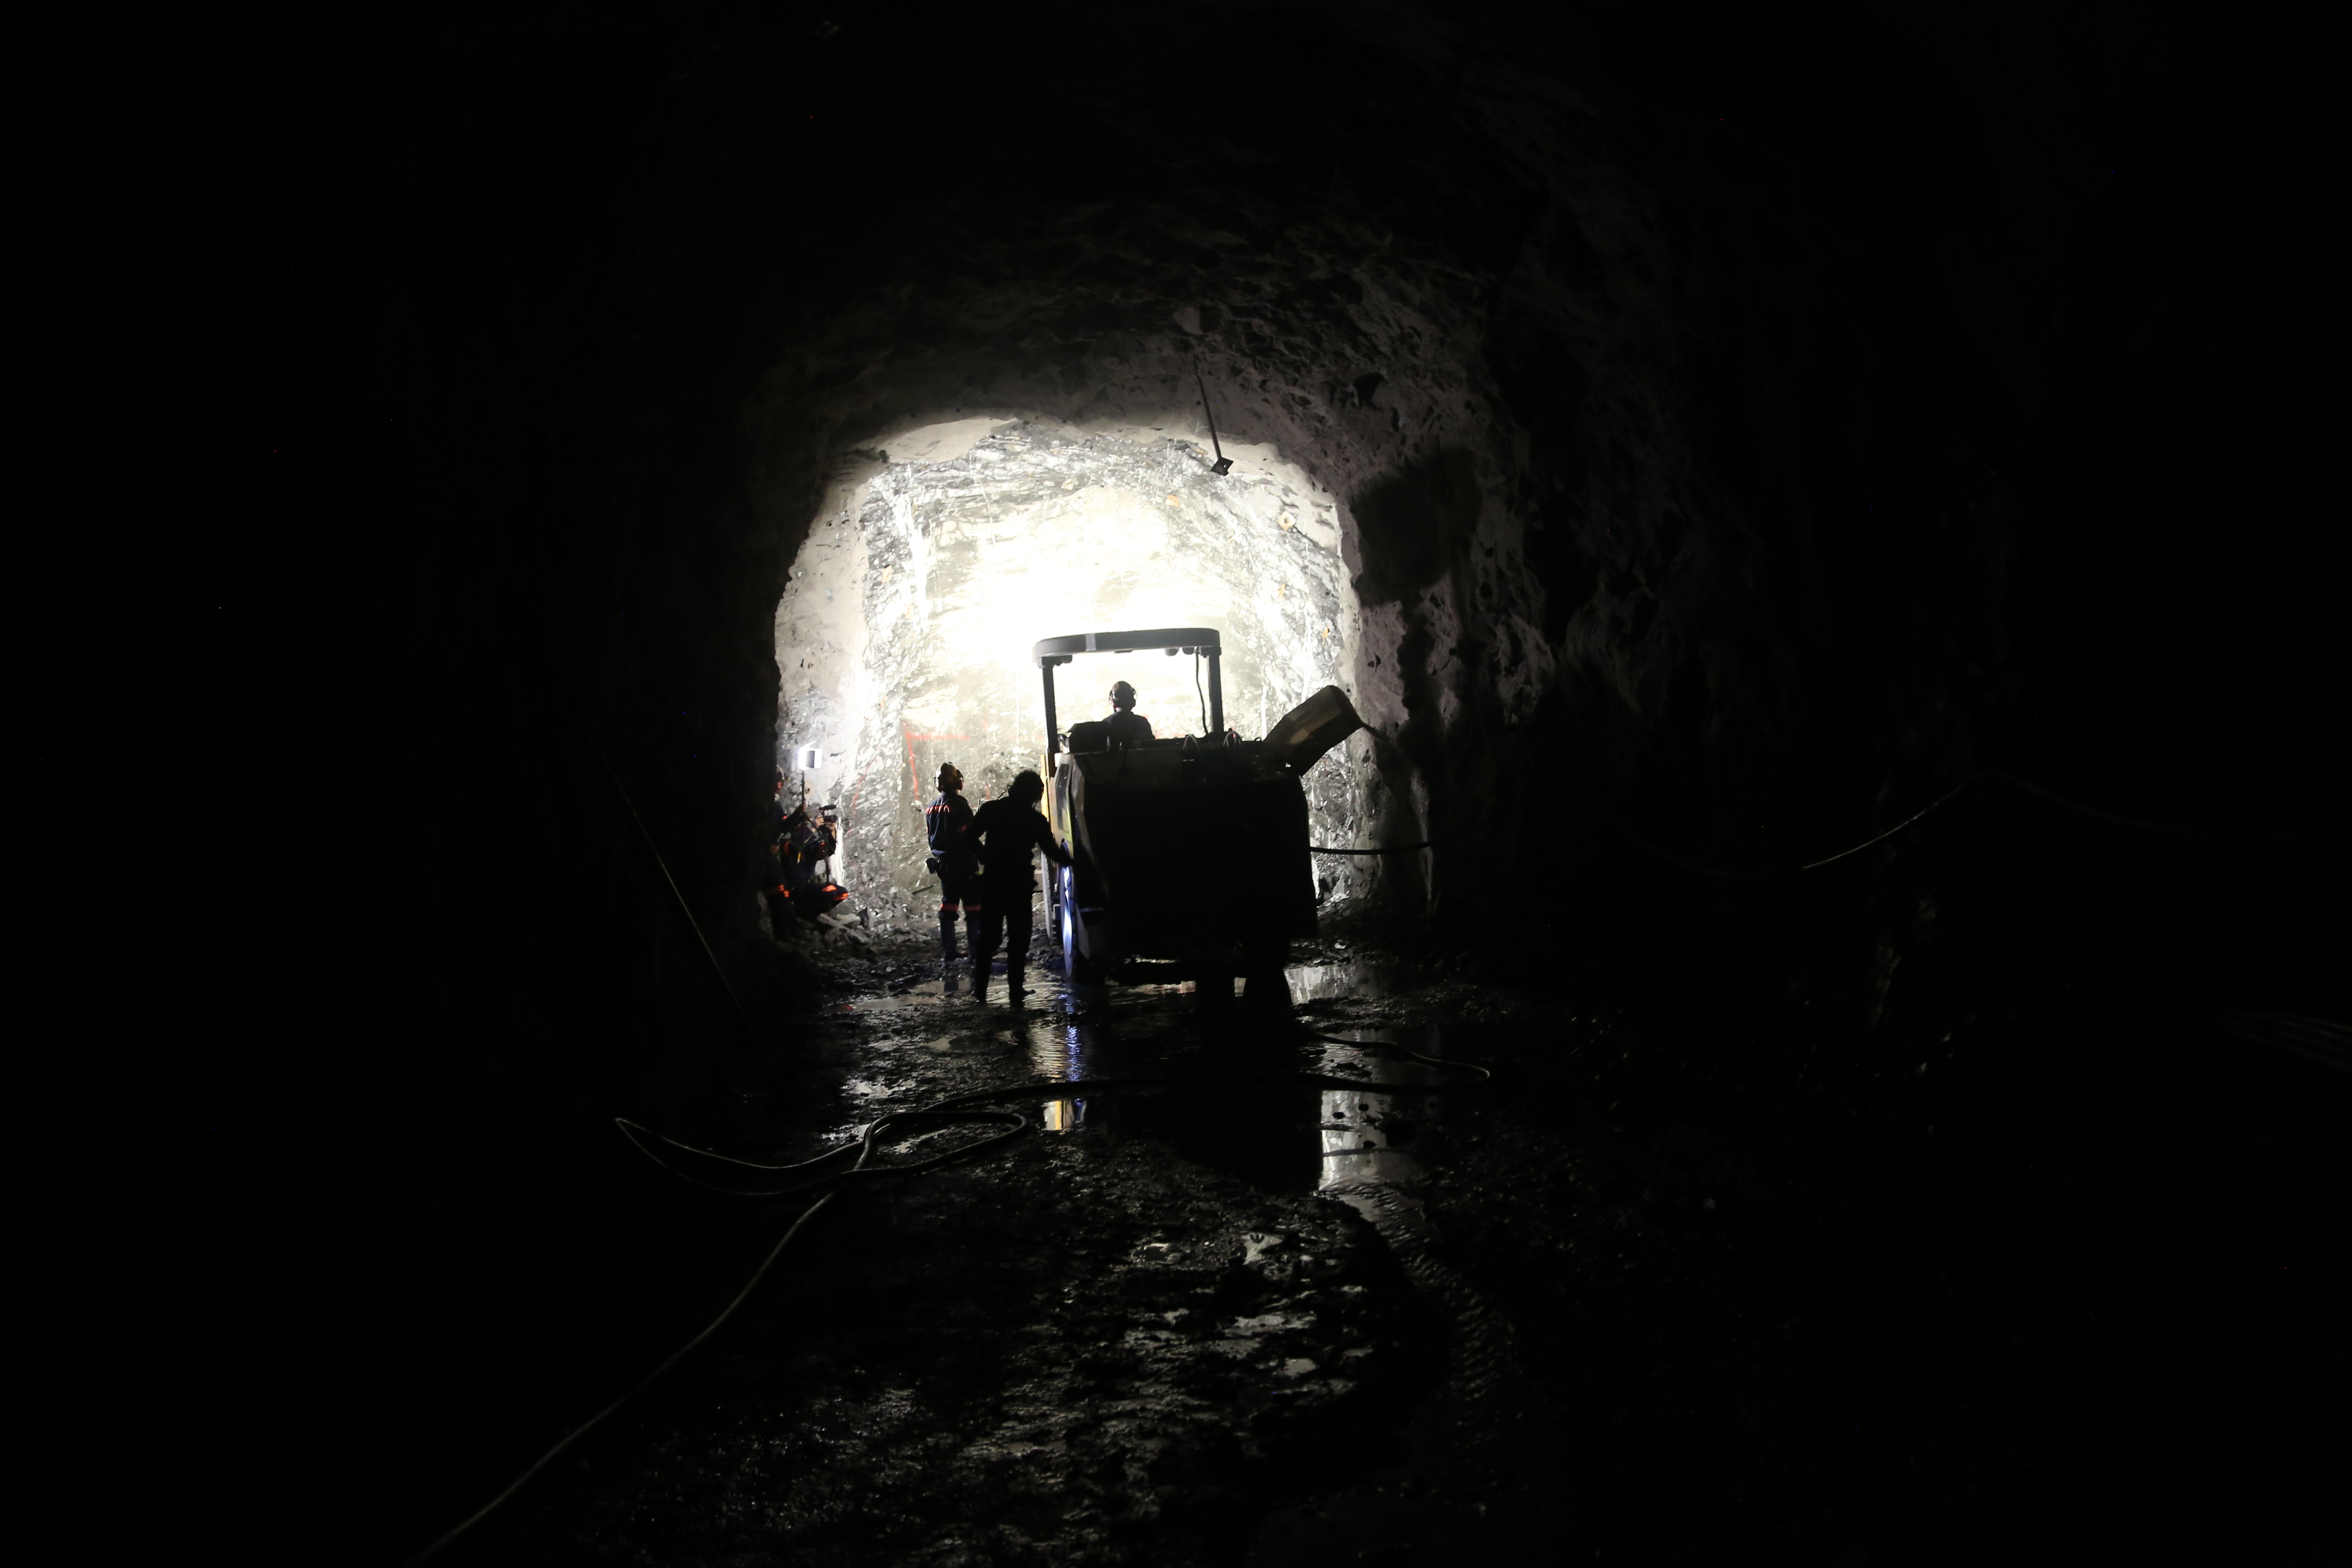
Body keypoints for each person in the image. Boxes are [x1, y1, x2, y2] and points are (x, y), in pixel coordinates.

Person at [965, 769, 1071, 1005]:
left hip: (994, 882)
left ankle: (980, 992)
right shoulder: (1035, 820)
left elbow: (969, 837)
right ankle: (1015, 991)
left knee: (988, 939)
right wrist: (1077, 862)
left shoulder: (992, 810)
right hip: (1019, 886)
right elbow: (1052, 852)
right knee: (1019, 939)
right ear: (1035, 795)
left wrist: (984, 856)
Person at [924, 763, 976, 991]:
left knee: (949, 905)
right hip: (962, 862)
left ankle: (950, 951)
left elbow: (931, 836)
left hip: (942, 864)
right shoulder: (959, 804)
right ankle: (976, 951)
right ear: (958, 782)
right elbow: (969, 834)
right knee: (973, 906)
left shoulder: (931, 808)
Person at [1103, 680, 1154, 745]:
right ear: (1132, 700)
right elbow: (1152, 745)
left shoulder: (1106, 724)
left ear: (1113, 701)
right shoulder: (1142, 723)